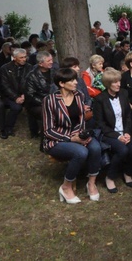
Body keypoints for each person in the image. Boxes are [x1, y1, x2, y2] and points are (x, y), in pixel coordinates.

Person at [43, 68, 101, 204]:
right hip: (57, 139)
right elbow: (48, 130)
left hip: (78, 135)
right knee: (81, 152)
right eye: (72, 80)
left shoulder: (79, 95)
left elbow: (80, 120)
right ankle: (65, 187)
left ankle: (91, 183)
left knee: (96, 148)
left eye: (76, 79)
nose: (76, 82)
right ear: (61, 84)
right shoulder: (50, 100)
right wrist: (70, 138)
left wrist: (81, 135)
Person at [93, 69, 132, 192]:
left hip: (124, 132)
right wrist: (117, 136)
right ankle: (110, 176)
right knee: (123, 150)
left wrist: (127, 133)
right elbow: (100, 124)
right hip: (109, 133)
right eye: (115, 82)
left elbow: (129, 117)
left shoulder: (124, 94)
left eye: (119, 81)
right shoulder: (100, 99)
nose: (119, 84)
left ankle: (127, 172)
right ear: (108, 84)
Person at [0, 48, 34, 138]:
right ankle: (7, 129)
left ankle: (34, 130)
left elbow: (31, 83)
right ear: (14, 58)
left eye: (25, 57)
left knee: (34, 105)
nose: (24, 59)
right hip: (9, 95)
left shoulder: (30, 67)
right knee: (16, 107)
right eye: (21, 58)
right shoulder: (5, 69)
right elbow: (4, 86)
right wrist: (15, 97)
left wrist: (25, 95)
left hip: (25, 94)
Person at [25, 50, 55, 138]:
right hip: (37, 103)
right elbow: (30, 95)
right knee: (48, 112)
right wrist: (46, 102)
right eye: (48, 61)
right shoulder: (31, 76)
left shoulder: (54, 71)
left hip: (53, 100)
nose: (51, 62)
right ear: (41, 64)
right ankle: (46, 136)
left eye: (51, 60)